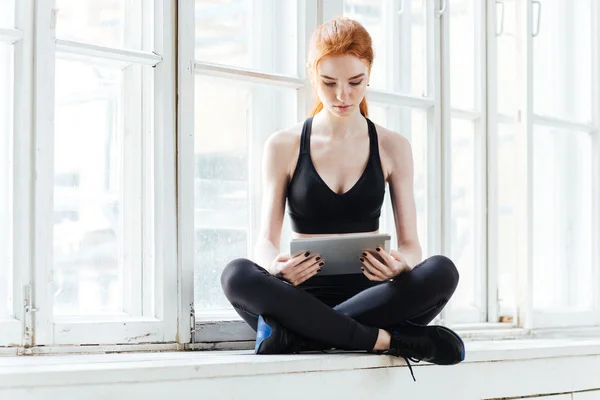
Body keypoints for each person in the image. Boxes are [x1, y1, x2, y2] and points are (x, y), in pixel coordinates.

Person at [220, 17, 464, 380]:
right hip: (299, 298)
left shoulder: (393, 146)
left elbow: (412, 245)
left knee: (442, 269)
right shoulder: (283, 145)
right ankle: (389, 341)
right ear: (312, 75)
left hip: (377, 298)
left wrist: (400, 265)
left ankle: (298, 338)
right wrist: (276, 267)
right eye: (328, 83)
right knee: (236, 274)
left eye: (355, 82)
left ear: (369, 74)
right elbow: (265, 243)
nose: (342, 96)